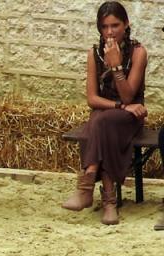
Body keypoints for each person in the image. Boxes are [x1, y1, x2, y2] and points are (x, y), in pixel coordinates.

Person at [60, 1, 148, 226]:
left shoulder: (138, 52)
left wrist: (117, 66)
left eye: (115, 25)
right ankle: (109, 202)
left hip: (131, 117)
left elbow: (128, 97)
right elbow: (92, 99)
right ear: (99, 28)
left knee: (99, 122)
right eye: (104, 26)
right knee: (101, 121)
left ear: (126, 24)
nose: (110, 32)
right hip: (112, 113)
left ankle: (86, 188)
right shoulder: (94, 53)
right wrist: (120, 106)